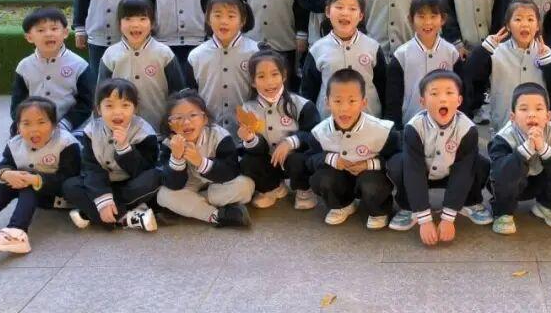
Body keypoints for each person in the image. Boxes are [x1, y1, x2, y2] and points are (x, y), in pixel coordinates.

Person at [0, 97, 81, 254]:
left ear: (54, 125)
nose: (34, 129)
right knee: (8, 186)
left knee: (28, 185)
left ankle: (17, 232)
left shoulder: (66, 143)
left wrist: (36, 179)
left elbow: (70, 178)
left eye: (41, 122)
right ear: (18, 126)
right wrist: (6, 174)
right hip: (34, 198)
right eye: (26, 123)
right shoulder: (15, 144)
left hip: (59, 198)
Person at [387, 70, 493, 242]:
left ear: (459, 100)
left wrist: (448, 218)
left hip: (452, 173)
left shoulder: (468, 129)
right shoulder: (414, 128)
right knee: (398, 164)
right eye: (434, 94)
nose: (443, 99)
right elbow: (413, 171)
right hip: (422, 173)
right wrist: (425, 220)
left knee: (479, 164)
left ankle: (469, 202)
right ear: (422, 102)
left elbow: (463, 171)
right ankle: (410, 207)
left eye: (449, 93)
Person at [62, 78, 162, 231]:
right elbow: (91, 167)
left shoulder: (145, 132)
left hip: (129, 184)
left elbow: (143, 170)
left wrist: (124, 148)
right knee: (70, 186)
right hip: (101, 182)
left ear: (135, 109)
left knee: (154, 177)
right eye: (109, 106)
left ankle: (93, 213)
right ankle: (125, 218)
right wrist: (102, 197)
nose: (117, 112)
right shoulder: (91, 131)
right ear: (99, 109)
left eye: (125, 105)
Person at [307, 68, 398, 229]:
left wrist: (369, 164)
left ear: (363, 102)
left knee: (372, 185)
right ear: (327, 102)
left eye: (352, 101)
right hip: (339, 177)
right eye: (337, 101)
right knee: (322, 178)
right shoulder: (319, 132)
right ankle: (342, 204)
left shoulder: (382, 131)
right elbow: (310, 159)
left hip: (370, 176)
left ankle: (379, 210)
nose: (344, 108)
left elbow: (395, 159)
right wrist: (332, 159)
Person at [236, 46, 321, 210]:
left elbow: (315, 135)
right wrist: (250, 139)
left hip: (292, 159)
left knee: (298, 160)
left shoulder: (301, 105)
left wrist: (291, 142)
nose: (269, 82)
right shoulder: (247, 110)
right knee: (248, 162)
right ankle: (273, 188)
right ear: (253, 81)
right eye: (261, 76)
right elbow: (255, 150)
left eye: (274, 74)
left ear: (284, 75)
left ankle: (304, 189)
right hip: (267, 162)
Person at [156, 90, 254, 227]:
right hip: (189, 185)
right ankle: (217, 215)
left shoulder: (219, 136)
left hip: (218, 185)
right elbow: (174, 184)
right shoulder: (169, 144)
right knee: (163, 196)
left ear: (205, 119)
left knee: (246, 186)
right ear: (170, 124)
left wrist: (201, 162)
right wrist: (177, 158)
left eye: (193, 115)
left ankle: (192, 205)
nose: (186, 122)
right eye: (178, 118)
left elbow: (231, 171)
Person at [464, 0, 551, 130]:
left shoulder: (545, 53)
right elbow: (471, 74)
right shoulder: (496, 52)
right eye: (518, 19)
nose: (524, 24)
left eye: (530, 19)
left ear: (537, 26)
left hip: (538, 127)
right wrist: (484, 50)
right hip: (503, 125)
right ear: (508, 25)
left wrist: (547, 63)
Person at [488, 82, 551, 234]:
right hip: (512, 185)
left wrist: (544, 148)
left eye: (538, 109)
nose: (531, 114)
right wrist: (526, 150)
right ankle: (503, 212)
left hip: (540, 182)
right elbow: (500, 173)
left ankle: (547, 205)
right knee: (502, 175)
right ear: (513, 117)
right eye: (524, 109)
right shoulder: (504, 137)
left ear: (548, 116)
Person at [97, 0, 185, 131]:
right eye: (128, 19)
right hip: (122, 132)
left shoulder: (164, 53)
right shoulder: (110, 55)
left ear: (152, 23)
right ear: (119, 24)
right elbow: (101, 95)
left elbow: (178, 93)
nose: (135, 24)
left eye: (142, 19)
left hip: (158, 128)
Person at [301, 0, 387, 118]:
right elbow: (309, 91)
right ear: (327, 12)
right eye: (339, 7)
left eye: (352, 9)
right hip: (328, 120)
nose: (345, 13)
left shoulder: (373, 47)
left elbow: (383, 86)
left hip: (369, 118)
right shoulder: (317, 50)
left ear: (361, 16)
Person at [384, 0, 463, 126]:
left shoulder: (451, 53)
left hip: (446, 124)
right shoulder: (402, 55)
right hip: (410, 124)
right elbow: (393, 99)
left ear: (443, 19)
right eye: (421, 16)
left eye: (433, 16)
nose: (427, 22)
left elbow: (461, 90)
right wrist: (396, 129)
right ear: (411, 19)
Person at [11, 7, 92, 134]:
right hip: (34, 128)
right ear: (29, 37)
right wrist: (22, 123)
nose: (48, 34)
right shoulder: (24, 67)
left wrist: (66, 124)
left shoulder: (79, 65)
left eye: (54, 29)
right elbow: (18, 102)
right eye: (40, 30)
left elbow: (86, 103)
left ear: (65, 33)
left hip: (71, 128)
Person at [187, 0, 259, 136]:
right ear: (208, 19)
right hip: (209, 134)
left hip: (248, 133)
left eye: (231, 16)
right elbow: (190, 97)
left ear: (243, 20)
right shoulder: (196, 55)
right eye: (217, 15)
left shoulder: (256, 52)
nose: (224, 21)